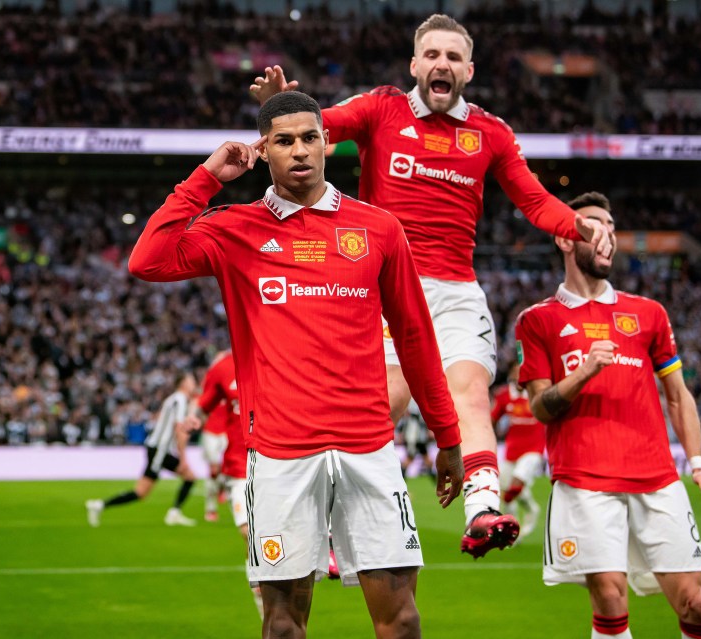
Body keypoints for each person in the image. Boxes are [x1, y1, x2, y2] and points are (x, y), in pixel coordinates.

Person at [249, 13, 611, 558]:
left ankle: (484, 509)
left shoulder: (490, 132)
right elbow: (319, 131)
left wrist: (578, 226)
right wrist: (285, 107)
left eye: (453, 57)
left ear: (469, 69)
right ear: (415, 64)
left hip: (456, 289)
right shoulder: (382, 108)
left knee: (467, 391)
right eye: (433, 55)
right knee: (385, 402)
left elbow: (534, 200)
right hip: (386, 287)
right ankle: (327, 522)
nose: (443, 64)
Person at [128, 91, 464, 639]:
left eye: (310, 137)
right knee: (283, 625)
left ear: (327, 142)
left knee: (401, 621)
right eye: (283, 141)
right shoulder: (233, 228)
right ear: (265, 150)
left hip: (369, 447)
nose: (300, 150)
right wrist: (208, 177)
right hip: (282, 451)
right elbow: (147, 260)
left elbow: (416, 338)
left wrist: (447, 435)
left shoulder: (379, 228)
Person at [514, 192, 701, 639]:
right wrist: (585, 372)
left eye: (612, 226)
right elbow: (539, 406)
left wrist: (699, 464)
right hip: (584, 480)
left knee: (695, 603)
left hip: (657, 478)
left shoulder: (648, 313)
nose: (607, 234)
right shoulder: (538, 320)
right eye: (594, 225)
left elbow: (677, 394)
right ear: (566, 239)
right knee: (610, 599)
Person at [194, 350, 265, 618]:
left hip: (278, 461)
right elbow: (204, 405)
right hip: (239, 466)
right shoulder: (222, 368)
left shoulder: (278, 350)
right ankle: (258, 584)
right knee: (248, 531)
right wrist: (194, 420)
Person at [86, 372, 201, 527]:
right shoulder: (180, 400)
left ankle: (99, 505)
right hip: (160, 451)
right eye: (191, 380)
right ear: (183, 383)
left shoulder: (174, 399)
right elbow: (179, 429)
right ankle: (174, 513)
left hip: (157, 449)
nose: (194, 383)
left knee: (142, 492)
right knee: (186, 477)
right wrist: (183, 459)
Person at [490, 363, 545, 542]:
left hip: (534, 449)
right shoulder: (505, 396)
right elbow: (493, 419)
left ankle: (521, 522)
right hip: (511, 450)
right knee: (505, 492)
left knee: (514, 488)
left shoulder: (539, 392)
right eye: (516, 372)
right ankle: (515, 525)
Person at [198, 350, 233, 522]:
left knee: (227, 469)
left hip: (227, 431)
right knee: (213, 469)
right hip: (211, 431)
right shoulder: (210, 382)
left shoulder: (232, 381)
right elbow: (202, 403)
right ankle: (210, 507)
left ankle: (222, 490)